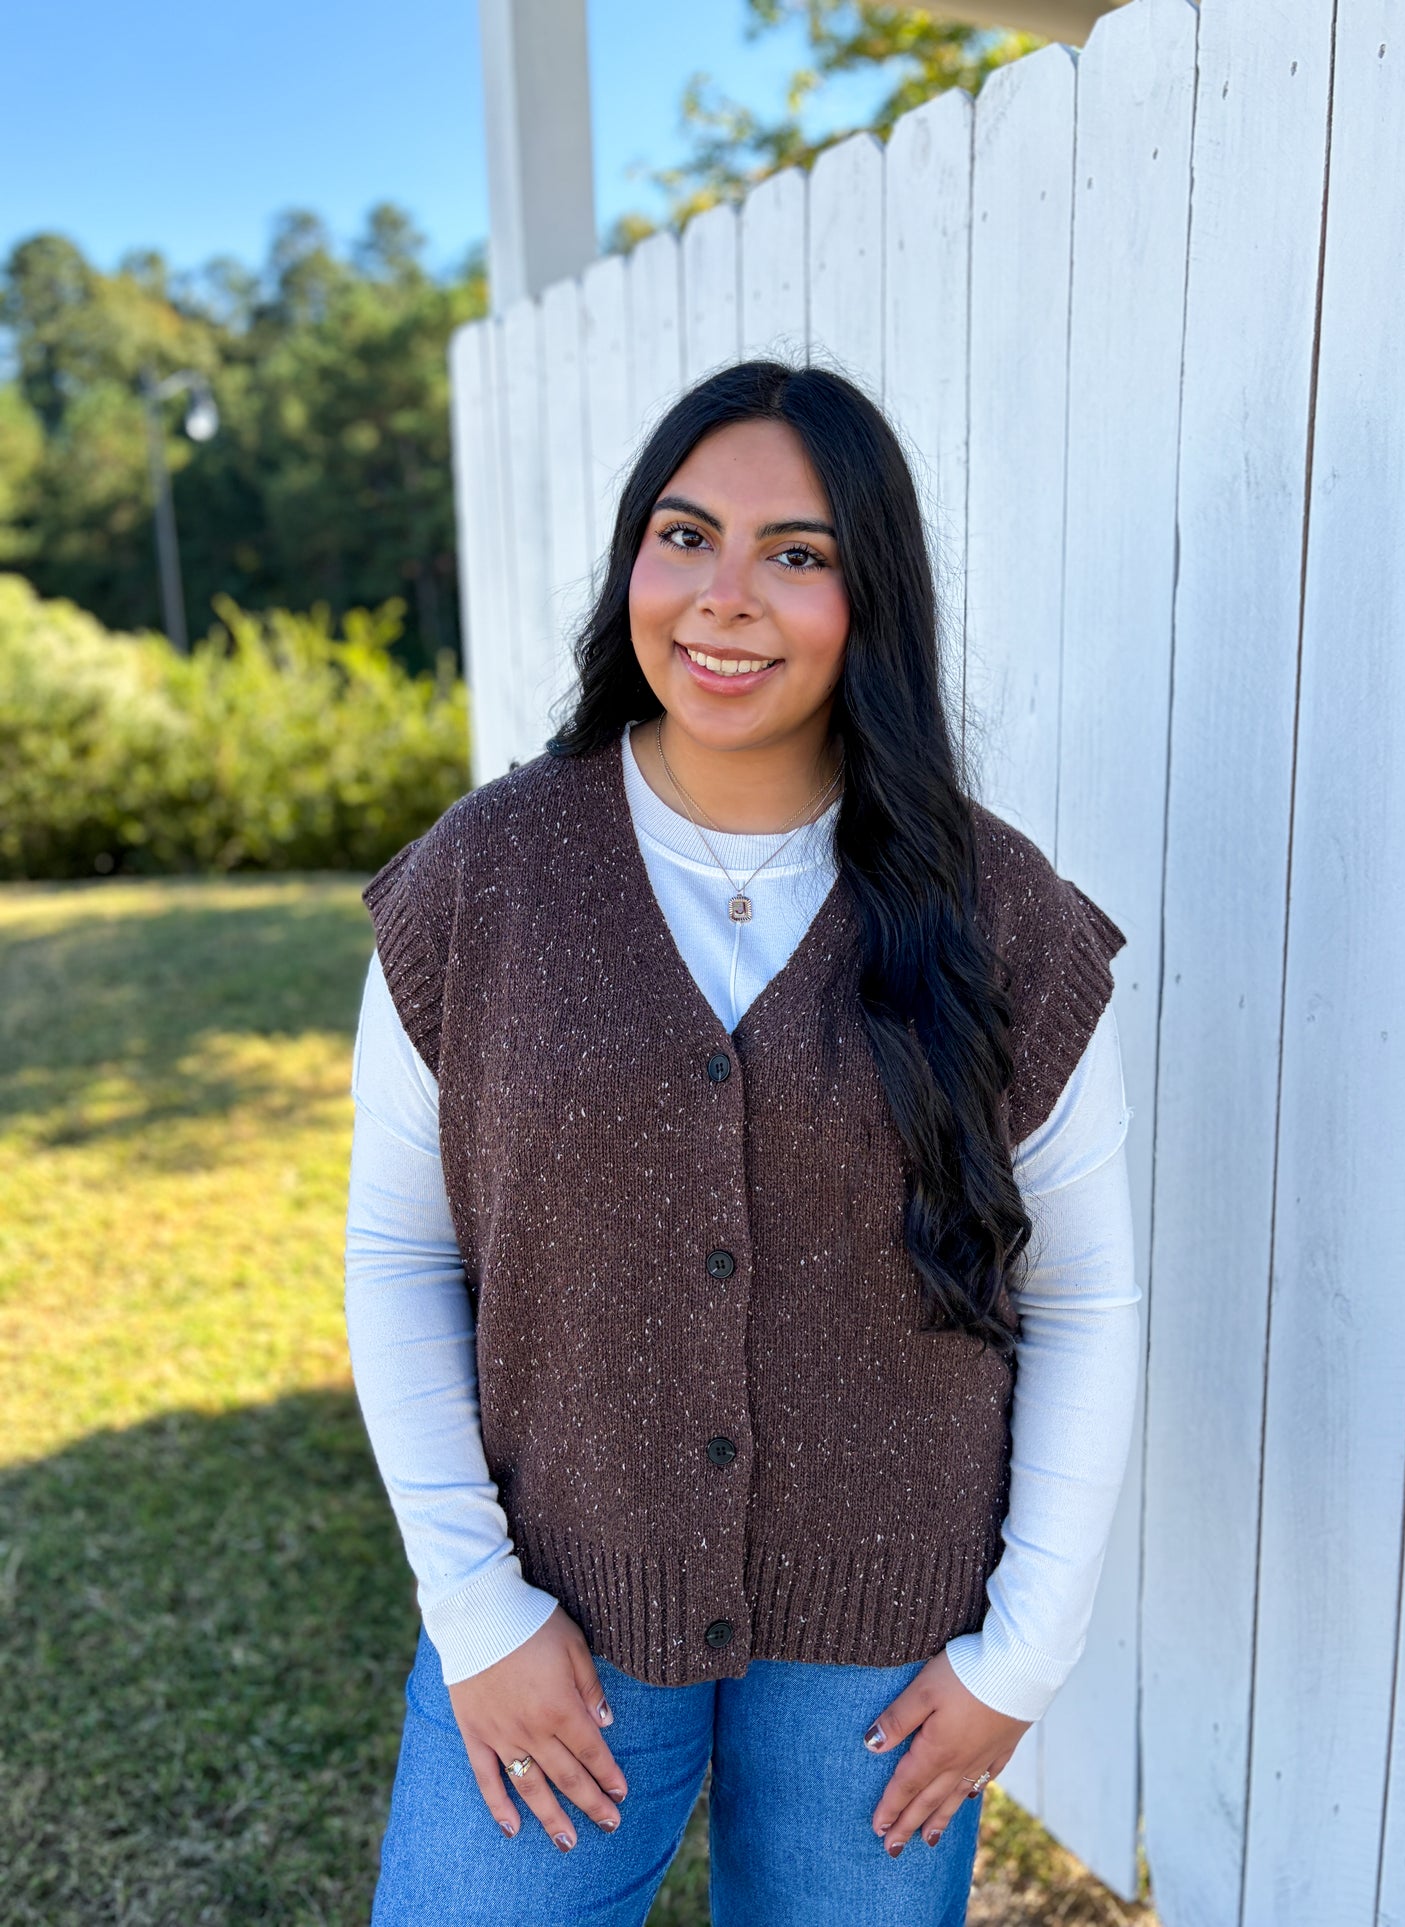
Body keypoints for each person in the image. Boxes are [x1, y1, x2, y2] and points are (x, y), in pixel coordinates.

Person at [344, 358, 1140, 1925]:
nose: (724, 599)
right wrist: (475, 1611)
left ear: (872, 598)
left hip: (884, 1654)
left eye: (798, 554)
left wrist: (1019, 1658)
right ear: (632, 563)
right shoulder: (484, 879)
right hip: (554, 1611)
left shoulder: (1000, 914)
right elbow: (400, 1250)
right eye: (683, 534)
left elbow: (1085, 1294)